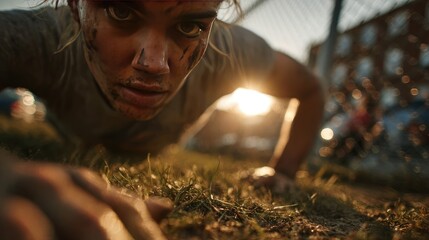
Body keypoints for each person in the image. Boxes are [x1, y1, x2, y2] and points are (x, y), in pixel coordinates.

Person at [0, 0, 325, 238]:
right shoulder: (40, 35)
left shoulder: (231, 51)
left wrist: (283, 171)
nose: (153, 63)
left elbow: (310, 89)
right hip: (69, 130)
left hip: (157, 143)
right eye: (122, 12)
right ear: (75, 6)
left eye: (189, 27)